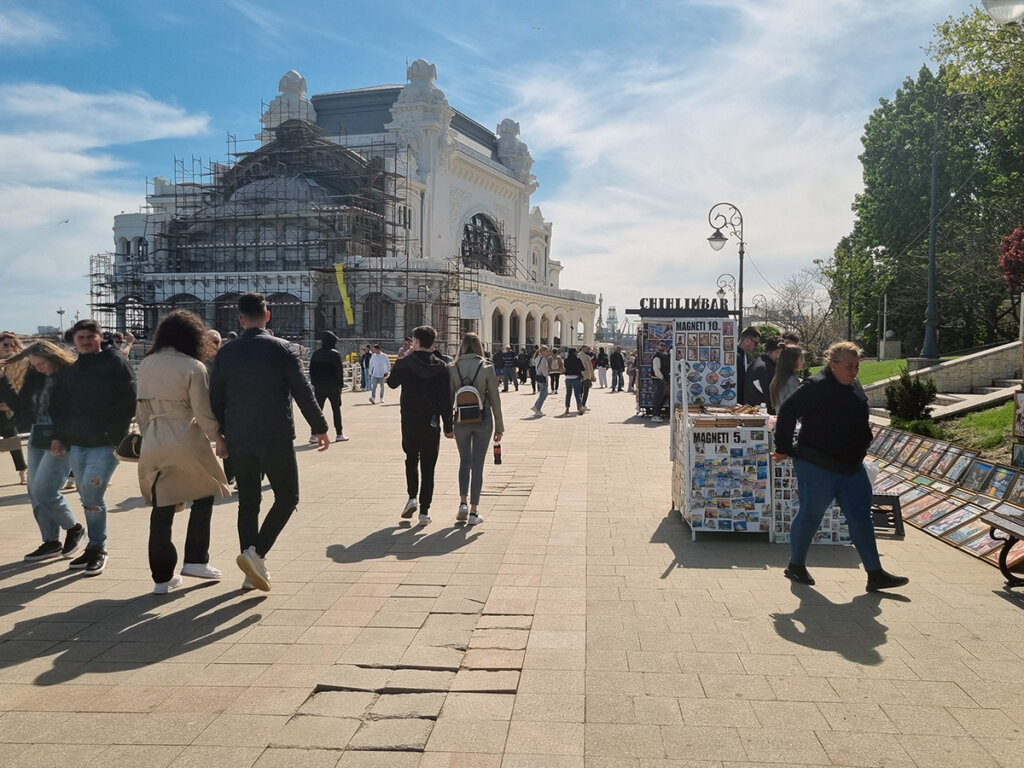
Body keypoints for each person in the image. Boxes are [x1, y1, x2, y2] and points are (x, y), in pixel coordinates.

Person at [210, 292, 330, 592]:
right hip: (275, 434)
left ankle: (251, 571)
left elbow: (216, 398)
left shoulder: (226, 352)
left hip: (239, 437)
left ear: (240, 319)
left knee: (248, 502)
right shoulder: (283, 349)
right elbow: (302, 390)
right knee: (288, 497)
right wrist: (320, 426)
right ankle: (256, 554)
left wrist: (219, 435)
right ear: (268, 316)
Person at [771, 341, 909, 592]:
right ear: (833, 365)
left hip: (851, 465)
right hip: (817, 463)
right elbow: (788, 411)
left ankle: (875, 573)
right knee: (811, 514)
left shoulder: (854, 384)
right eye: (849, 366)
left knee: (860, 517)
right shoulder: (815, 385)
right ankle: (796, 565)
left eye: (857, 366)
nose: (854, 371)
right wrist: (783, 447)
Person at [136, 310, 231, 594]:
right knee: (204, 494)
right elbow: (202, 411)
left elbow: (140, 410)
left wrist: (148, 435)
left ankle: (161, 578)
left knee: (161, 508)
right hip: (186, 435)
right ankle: (196, 559)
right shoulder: (193, 366)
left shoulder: (146, 363)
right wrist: (218, 438)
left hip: (154, 436)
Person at [49, 319, 137, 576]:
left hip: (106, 443)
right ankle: (93, 545)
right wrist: (59, 436)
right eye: (80, 338)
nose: (85, 341)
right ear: (74, 341)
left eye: (90, 336)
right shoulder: (70, 371)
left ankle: (98, 547)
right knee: (86, 494)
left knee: (91, 495)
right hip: (77, 443)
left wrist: (116, 431)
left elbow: (130, 398)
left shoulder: (114, 362)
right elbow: (59, 407)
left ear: (100, 337)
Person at [0, 341, 85, 562]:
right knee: (34, 491)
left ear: (52, 356)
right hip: (40, 433)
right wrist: (2, 378)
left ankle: (74, 528)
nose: (38, 368)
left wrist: (64, 436)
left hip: (63, 437)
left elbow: (77, 410)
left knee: (44, 490)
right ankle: (51, 541)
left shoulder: (72, 374)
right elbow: (20, 406)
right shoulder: (35, 376)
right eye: (34, 365)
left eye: (41, 363)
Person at [386, 325, 453, 526]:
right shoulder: (440, 366)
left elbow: (391, 384)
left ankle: (411, 498)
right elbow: (445, 399)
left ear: (415, 341)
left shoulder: (405, 363)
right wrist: (449, 426)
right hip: (431, 421)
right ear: (433, 343)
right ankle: (424, 512)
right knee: (429, 466)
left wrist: (402, 358)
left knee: (411, 458)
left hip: (409, 419)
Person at [449, 332, 503, 525]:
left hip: (460, 419)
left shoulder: (453, 368)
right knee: (478, 464)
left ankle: (462, 502)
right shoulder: (487, 367)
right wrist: (500, 426)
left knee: (464, 461)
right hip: (484, 418)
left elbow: (449, 399)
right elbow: (495, 399)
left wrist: (448, 425)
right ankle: (473, 511)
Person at [309, 331, 348, 442]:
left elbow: (312, 370)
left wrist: (314, 383)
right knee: (336, 410)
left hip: (319, 386)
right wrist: (340, 386)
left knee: (318, 411)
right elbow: (339, 372)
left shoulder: (316, 353)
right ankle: (339, 434)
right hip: (333, 386)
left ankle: (314, 435)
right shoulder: (335, 354)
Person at [0, 332, 28, 484]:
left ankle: (23, 475)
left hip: (7, 408)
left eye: (13, 345)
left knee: (13, 441)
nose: (9, 347)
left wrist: (11, 404)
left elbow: (20, 388)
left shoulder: (16, 364)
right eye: (5, 344)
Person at [745, 337, 782, 413]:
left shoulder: (757, 363)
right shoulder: (766, 368)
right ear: (777, 352)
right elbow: (769, 396)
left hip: (751, 410)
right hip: (760, 414)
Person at [769, 345, 805, 413]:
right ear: (792, 361)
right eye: (801, 358)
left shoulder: (777, 379)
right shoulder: (792, 380)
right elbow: (797, 405)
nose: (804, 362)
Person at [736, 326, 761, 405]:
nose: (756, 347)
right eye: (755, 343)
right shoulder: (737, 357)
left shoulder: (743, 355)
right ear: (747, 340)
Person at [650, 340, 671, 422]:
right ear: (657, 346)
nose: (663, 347)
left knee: (663, 397)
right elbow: (656, 369)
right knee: (659, 397)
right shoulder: (657, 356)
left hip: (663, 379)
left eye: (664, 345)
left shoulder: (664, 355)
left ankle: (657, 414)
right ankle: (655, 415)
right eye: (661, 345)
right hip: (658, 379)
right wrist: (661, 377)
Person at [562, 348, 585, 415]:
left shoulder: (566, 360)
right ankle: (580, 408)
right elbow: (583, 368)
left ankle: (567, 409)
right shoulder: (577, 360)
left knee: (568, 394)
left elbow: (565, 368)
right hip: (576, 377)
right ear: (574, 353)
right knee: (577, 393)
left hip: (568, 378)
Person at [532, 345, 550, 415]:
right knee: (544, 394)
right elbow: (544, 370)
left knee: (543, 393)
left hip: (538, 376)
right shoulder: (543, 359)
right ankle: (537, 408)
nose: (547, 352)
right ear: (542, 351)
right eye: (546, 351)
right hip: (542, 377)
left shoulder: (537, 358)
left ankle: (536, 406)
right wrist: (546, 380)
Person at [579, 345, 595, 411]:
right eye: (588, 349)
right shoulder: (586, 357)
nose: (589, 350)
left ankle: (579, 404)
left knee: (580, 392)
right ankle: (583, 404)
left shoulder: (577, 355)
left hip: (578, 376)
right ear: (583, 348)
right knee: (586, 391)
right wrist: (593, 376)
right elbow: (590, 367)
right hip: (586, 376)